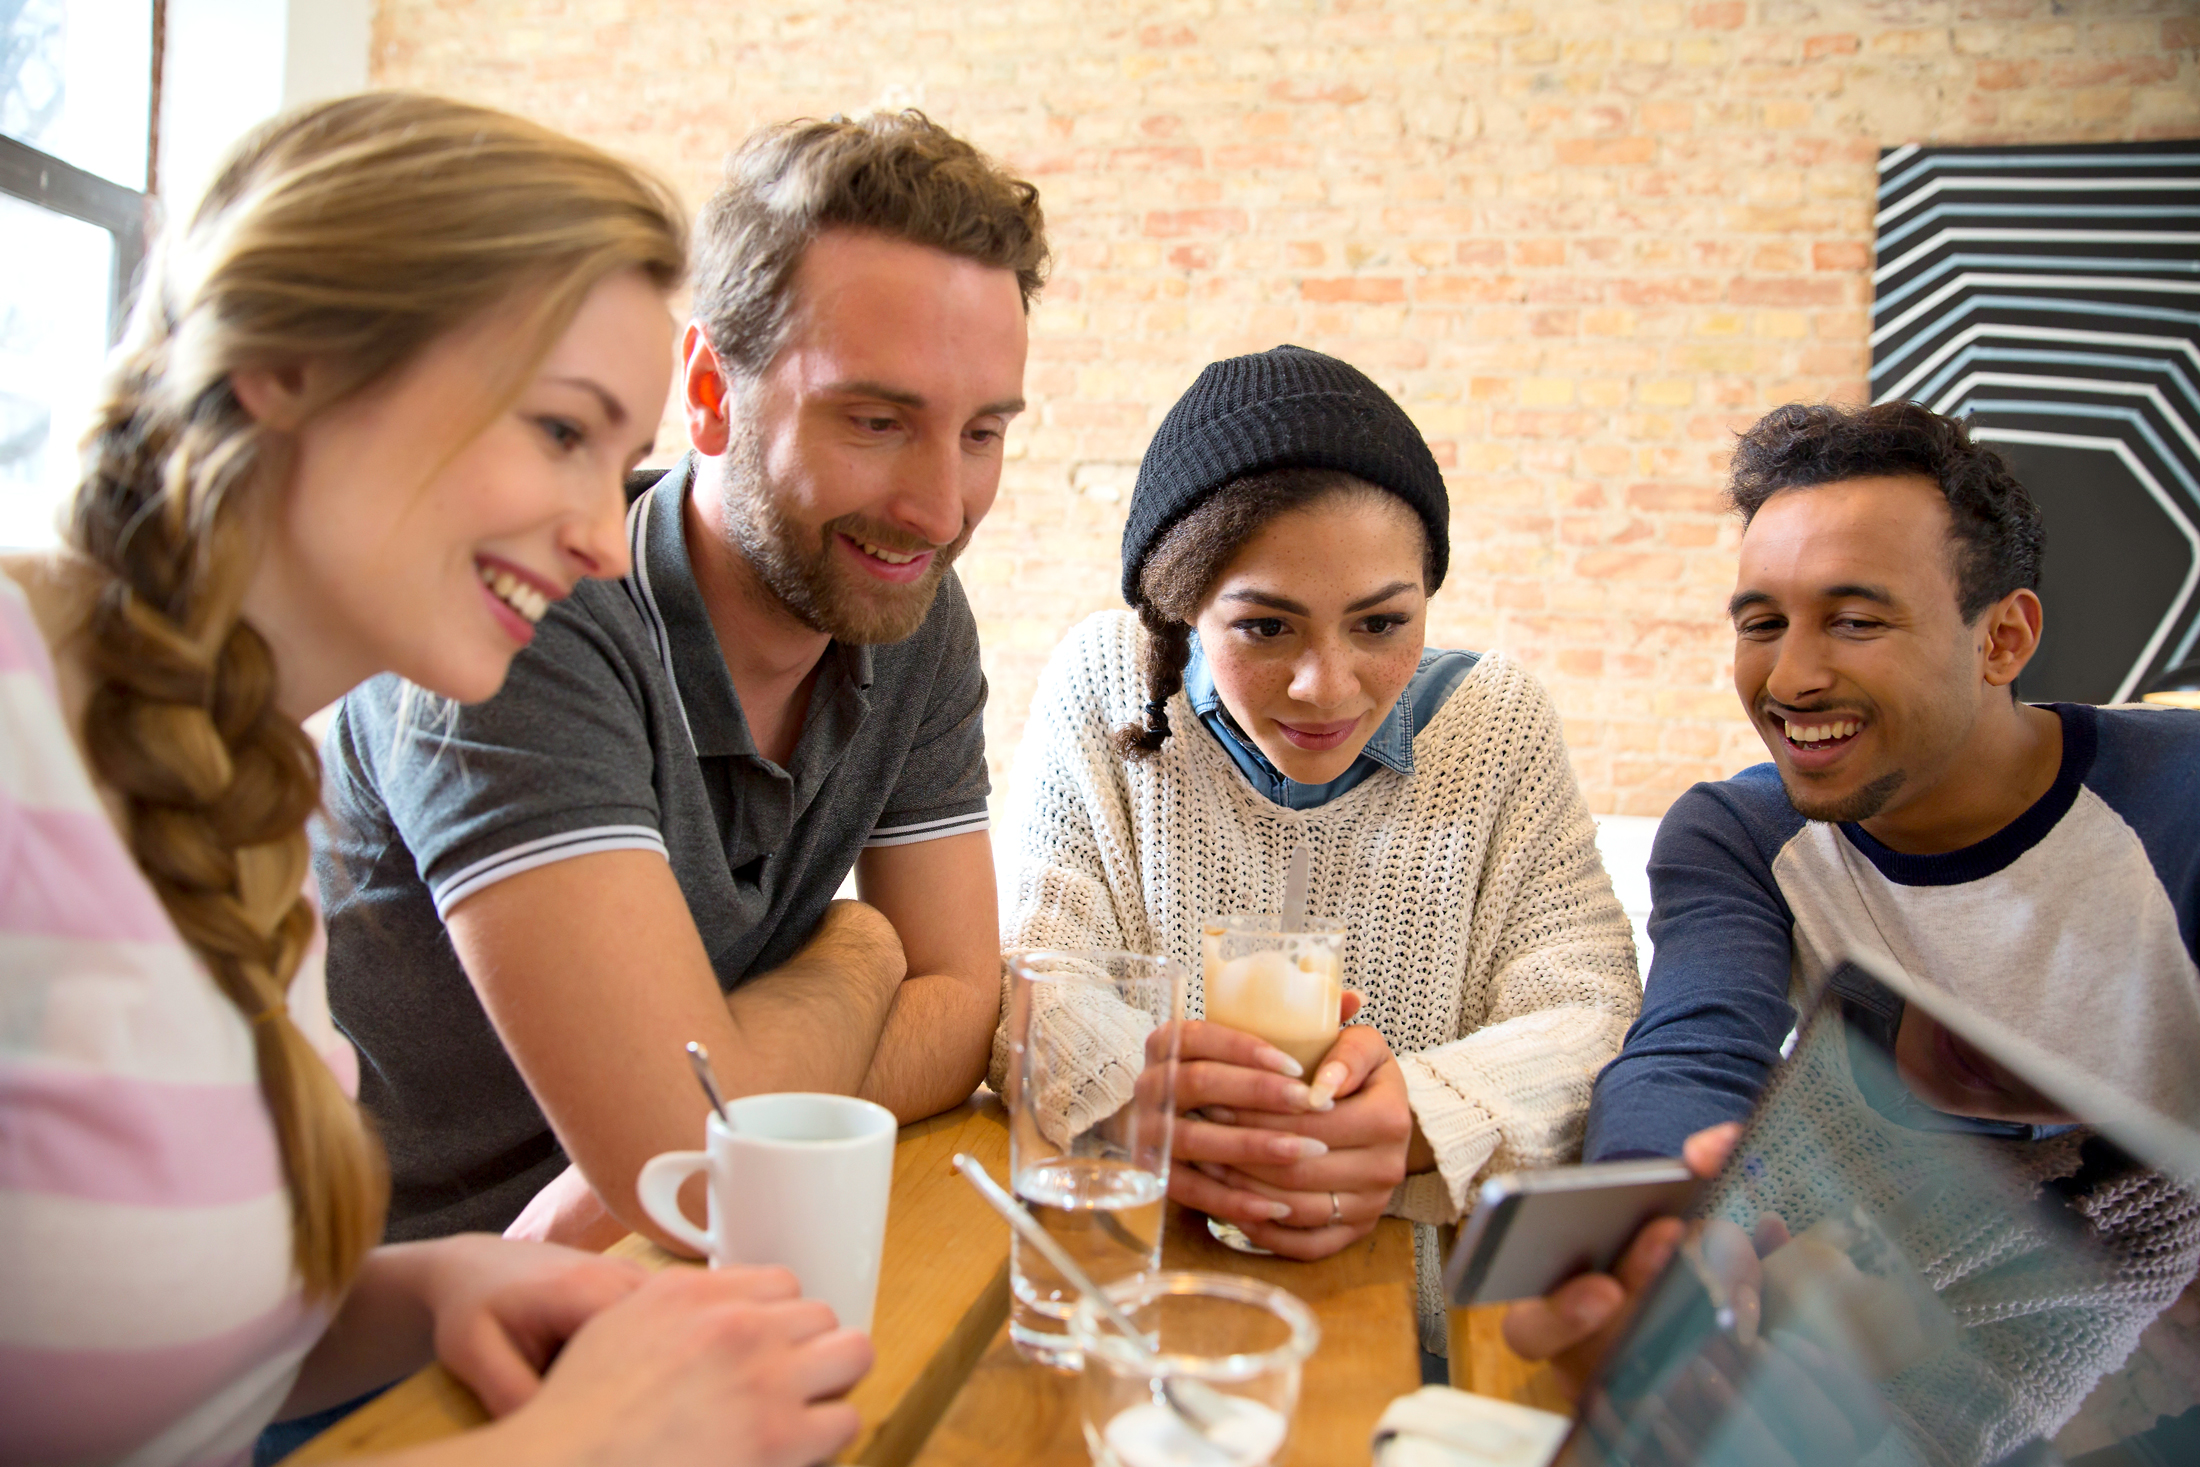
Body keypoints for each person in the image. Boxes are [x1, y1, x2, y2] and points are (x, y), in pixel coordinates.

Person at [1, 93, 869, 1466]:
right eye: (559, 429)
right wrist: (581, 1444)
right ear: (291, 360)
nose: (600, 538)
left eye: (618, 454)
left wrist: (415, 1294)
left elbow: (106, 1354)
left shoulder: (239, 776)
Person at [314, 110, 1047, 1251]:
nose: (940, 510)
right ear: (708, 390)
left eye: (982, 434)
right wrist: (866, 951)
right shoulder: (521, 610)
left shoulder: (905, 607)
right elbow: (683, 1170)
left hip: (648, 1271)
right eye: (875, 420)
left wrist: (710, 1126)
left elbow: (962, 1015)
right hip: (387, 1342)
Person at [1506, 400, 2200, 1437]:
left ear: (2001, 638)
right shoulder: (1739, 833)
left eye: (1854, 619)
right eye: (1760, 622)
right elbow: (1692, 1050)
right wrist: (1650, 1229)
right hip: (1852, 1290)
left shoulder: (2176, 805)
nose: (1788, 678)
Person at [994, 345, 1643, 1349]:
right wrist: (1158, 1101)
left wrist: (1421, 1119)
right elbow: (1034, 976)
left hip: (1422, 1319)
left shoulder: (1498, 725)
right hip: (1136, 1295)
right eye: (1265, 629)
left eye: (1381, 623)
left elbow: (1591, 1010)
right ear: (1183, 608)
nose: (1327, 687)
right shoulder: (1105, 686)